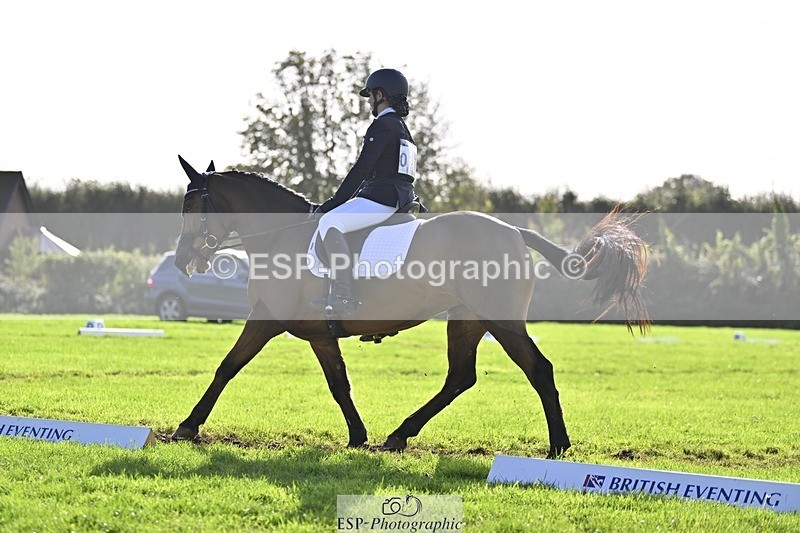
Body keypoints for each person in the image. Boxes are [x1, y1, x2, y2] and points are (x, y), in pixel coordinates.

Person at [313, 68, 418, 316]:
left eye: (370, 95)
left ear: (380, 95)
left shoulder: (382, 125)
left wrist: (335, 202)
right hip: (401, 197)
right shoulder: (402, 128)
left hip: (382, 197)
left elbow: (363, 168)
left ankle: (343, 295)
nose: (369, 101)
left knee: (329, 222)